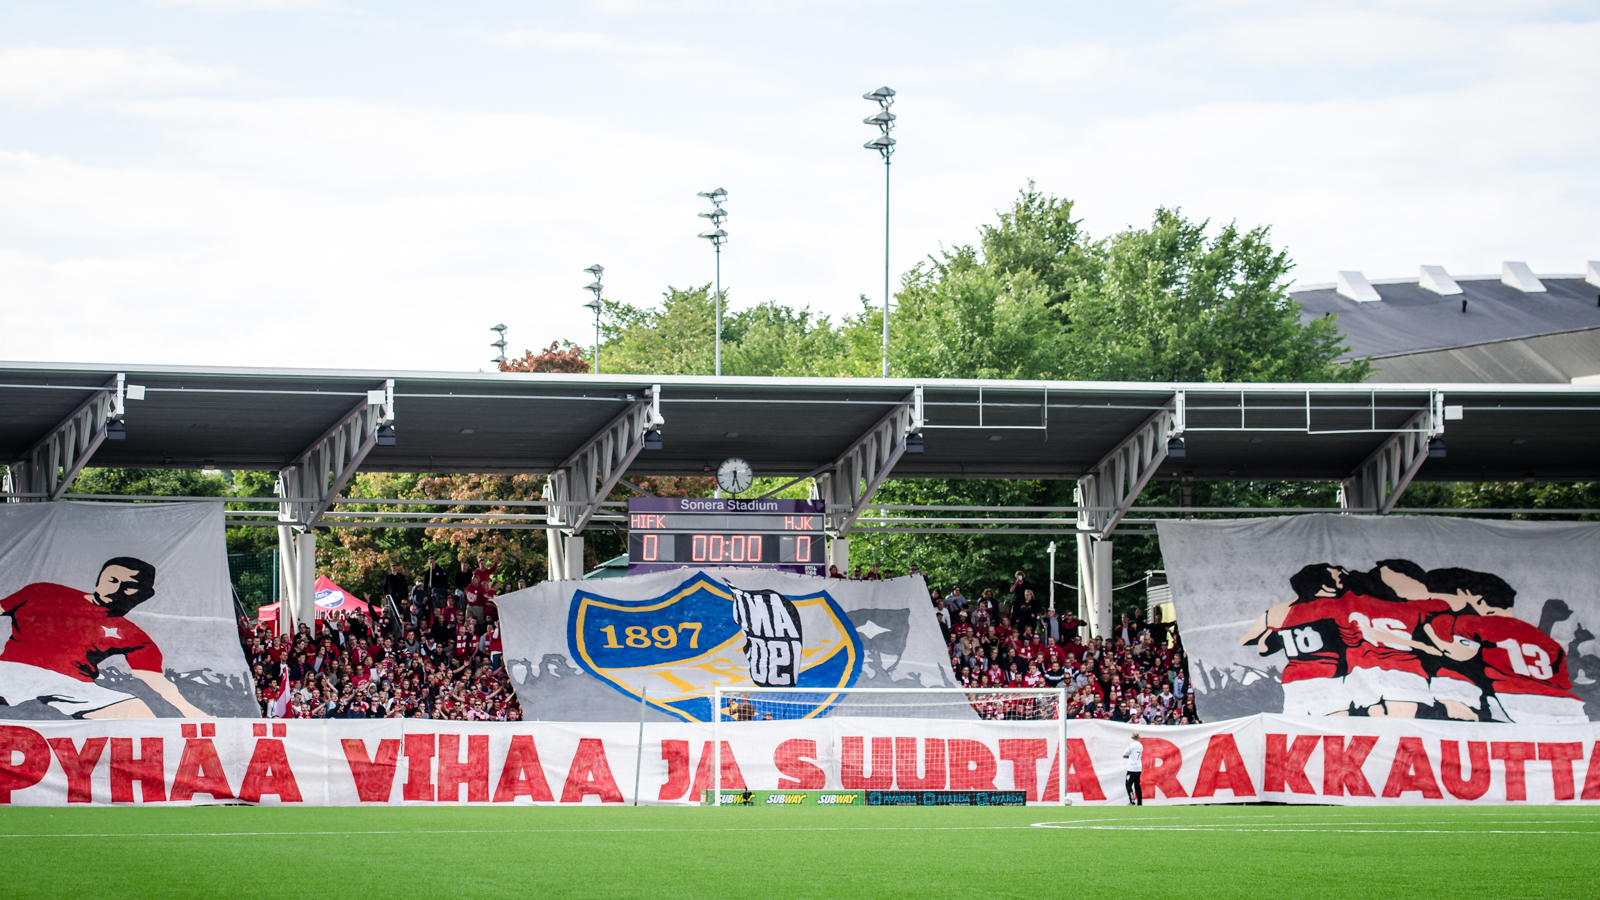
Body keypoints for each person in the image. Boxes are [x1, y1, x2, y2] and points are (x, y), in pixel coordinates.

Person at [0, 557, 208, 718]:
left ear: (144, 594)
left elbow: (154, 678)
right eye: (112, 580)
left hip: (73, 684)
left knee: (138, 713)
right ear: (99, 579)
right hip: (14, 671)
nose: (116, 589)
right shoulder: (43, 591)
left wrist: (191, 711)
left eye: (128, 585)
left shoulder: (134, 636)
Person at [1122, 731, 1144, 805]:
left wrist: (1129, 756)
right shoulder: (1140, 745)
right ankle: (1140, 802)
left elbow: (1125, 754)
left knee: (1128, 784)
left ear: (1132, 737)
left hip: (1132, 767)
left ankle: (1132, 801)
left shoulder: (1131, 745)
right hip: (1138, 767)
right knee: (1137, 784)